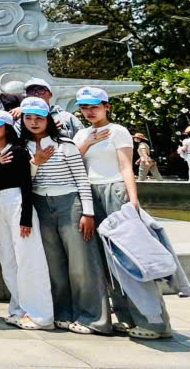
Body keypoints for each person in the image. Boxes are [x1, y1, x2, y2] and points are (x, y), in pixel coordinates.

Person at [73, 87, 171, 339]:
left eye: (95, 106)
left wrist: (133, 199)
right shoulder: (82, 134)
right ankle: (126, 318)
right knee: (107, 261)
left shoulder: (118, 131)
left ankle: (155, 323)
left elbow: (126, 166)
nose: (89, 111)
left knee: (129, 256)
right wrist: (88, 143)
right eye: (84, 107)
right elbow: (74, 162)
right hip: (89, 194)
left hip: (115, 190)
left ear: (107, 107)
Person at [21, 97, 111, 335]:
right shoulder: (23, 146)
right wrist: (35, 162)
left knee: (82, 263)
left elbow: (81, 178)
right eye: (28, 118)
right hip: (41, 206)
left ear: (48, 120)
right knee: (54, 265)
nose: (33, 122)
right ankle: (63, 313)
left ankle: (93, 318)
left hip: (70, 204)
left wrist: (88, 212)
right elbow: (24, 182)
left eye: (39, 118)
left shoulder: (65, 144)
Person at [0, 110, 53, 330]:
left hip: (17, 202)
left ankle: (40, 315)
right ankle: (19, 308)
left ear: (7, 127)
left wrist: (26, 217)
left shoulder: (18, 150)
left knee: (28, 258)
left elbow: (26, 183)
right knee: (8, 259)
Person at [18, 78, 83, 135]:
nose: (36, 94)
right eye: (31, 91)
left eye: (41, 90)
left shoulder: (67, 117)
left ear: (50, 95)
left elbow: (82, 139)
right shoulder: (19, 118)